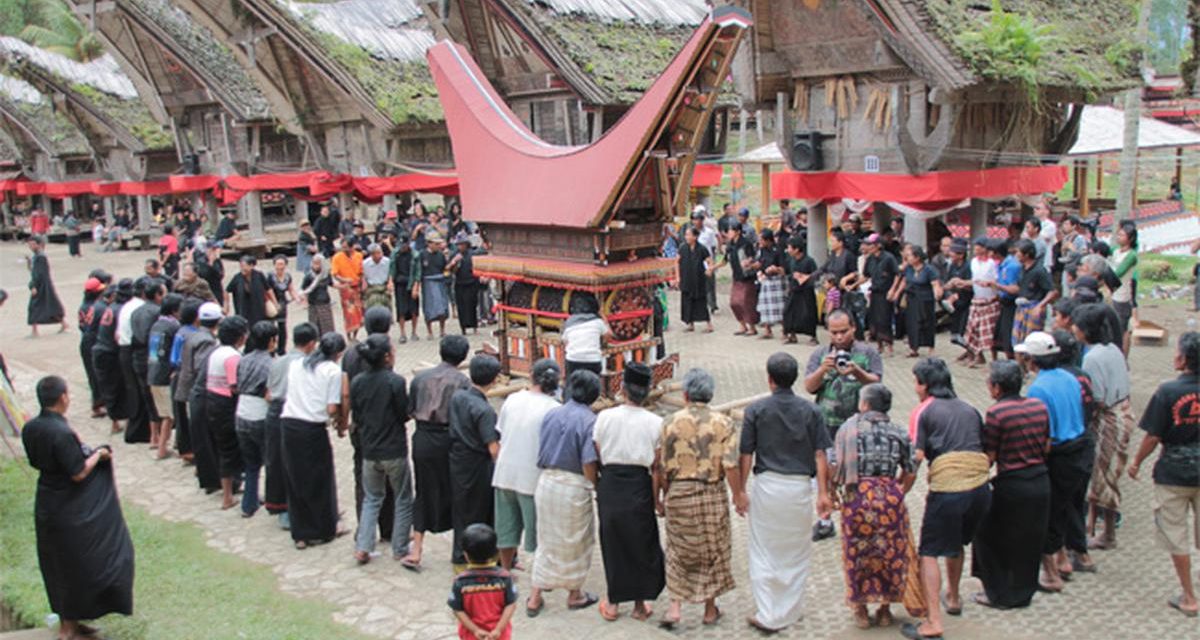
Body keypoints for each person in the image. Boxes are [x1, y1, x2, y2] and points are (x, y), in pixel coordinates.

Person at [21, 376, 134, 640]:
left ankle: (71, 619)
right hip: (68, 507)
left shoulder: (32, 428)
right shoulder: (60, 433)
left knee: (58, 563)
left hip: (47, 500)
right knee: (77, 561)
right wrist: (100, 455)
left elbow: (36, 463)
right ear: (62, 398)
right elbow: (78, 473)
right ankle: (68, 628)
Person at [738, 353, 832, 632]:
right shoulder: (812, 411)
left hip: (767, 486)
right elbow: (820, 454)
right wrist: (823, 493)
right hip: (799, 488)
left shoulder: (755, 411)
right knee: (796, 551)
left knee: (764, 550)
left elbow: (746, 454)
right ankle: (789, 610)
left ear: (769, 379)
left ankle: (769, 612)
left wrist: (741, 491)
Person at [904, 358, 991, 640]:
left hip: (949, 489)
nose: (915, 388)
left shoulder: (923, 411)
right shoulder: (970, 409)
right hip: (980, 489)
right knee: (955, 543)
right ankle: (952, 597)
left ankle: (933, 621)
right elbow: (986, 452)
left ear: (925, 385)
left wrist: (900, 490)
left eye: (917, 382)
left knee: (929, 552)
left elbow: (915, 459)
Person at [830, 382, 925, 628]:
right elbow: (911, 468)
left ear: (865, 404)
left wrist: (831, 492)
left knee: (857, 553)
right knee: (890, 553)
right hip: (889, 499)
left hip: (857, 497)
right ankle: (885, 609)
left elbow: (833, 465)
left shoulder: (848, 429)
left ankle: (861, 610)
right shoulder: (899, 431)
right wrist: (900, 490)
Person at [656, 368, 743, 627]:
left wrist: (662, 496)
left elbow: (661, 466)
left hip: (679, 491)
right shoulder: (723, 423)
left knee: (677, 551)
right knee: (713, 550)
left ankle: (674, 608)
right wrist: (738, 494)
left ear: (685, 394)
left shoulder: (669, 422)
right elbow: (730, 465)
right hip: (711, 492)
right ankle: (709, 609)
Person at [1128, 331, 1199, 618]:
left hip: (1173, 473)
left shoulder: (1168, 391)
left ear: (1182, 359)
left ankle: (1190, 596)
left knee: (1175, 535)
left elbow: (1153, 436)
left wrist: (1136, 463)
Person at [970, 359, 1051, 609]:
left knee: (987, 535)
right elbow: (1047, 445)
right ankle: (1024, 590)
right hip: (1040, 480)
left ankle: (999, 592)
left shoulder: (997, 413)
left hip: (1012, 483)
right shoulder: (1039, 406)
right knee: (1030, 539)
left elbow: (991, 456)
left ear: (996, 388)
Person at [1016, 331, 1093, 593]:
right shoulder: (1071, 378)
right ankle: (1063, 559)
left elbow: (1044, 431)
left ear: (1031, 360)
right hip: (1081, 449)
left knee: (1047, 514)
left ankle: (1050, 574)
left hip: (1059, 453)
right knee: (1067, 506)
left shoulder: (1038, 390)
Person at [525, 369, 603, 616]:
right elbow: (588, 463)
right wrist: (596, 486)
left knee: (546, 540)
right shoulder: (589, 421)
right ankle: (574, 594)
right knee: (576, 542)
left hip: (547, 481)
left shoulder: (552, 413)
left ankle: (535, 596)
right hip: (573, 486)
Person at [593, 363, 665, 622]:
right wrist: (658, 499)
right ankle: (639, 604)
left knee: (612, 542)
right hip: (639, 484)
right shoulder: (656, 423)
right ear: (647, 391)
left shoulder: (604, 417)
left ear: (622, 389)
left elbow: (598, 450)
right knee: (641, 542)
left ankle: (613, 603)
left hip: (610, 481)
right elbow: (657, 467)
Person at [804, 309, 883, 541]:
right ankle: (825, 520)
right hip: (827, 424)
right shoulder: (820, 354)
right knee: (825, 474)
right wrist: (823, 370)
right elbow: (809, 386)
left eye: (843, 332)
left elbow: (877, 382)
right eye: (834, 332)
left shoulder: (868, 353)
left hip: (860, 426)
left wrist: (857, 371)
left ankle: (860, 520)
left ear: (853, 329)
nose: (839, 337)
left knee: (859, 475)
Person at [404, 335, 471, 568]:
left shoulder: (420, 379)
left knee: (423, 491)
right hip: (449, 440)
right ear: (463, 356)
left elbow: (410, 410)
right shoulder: (462, 382)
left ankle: (417, 550)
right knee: (457, 493)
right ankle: (459, 550)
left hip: (422, 438)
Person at [1072, 303, 1133, 551]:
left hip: (1110, 417)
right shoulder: (1113, 350)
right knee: (1102, 474)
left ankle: (1107, 533)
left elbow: (1095, 398)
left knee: (1105, 476)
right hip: (1120, 409)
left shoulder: (1093, 358)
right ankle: (1092, 527)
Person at [280, 332, 350, 548]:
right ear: (338, 354)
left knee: (296, 478)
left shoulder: (298, 364)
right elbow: (331, 407)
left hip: (289, 424)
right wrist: (340, 422)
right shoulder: (332, 371)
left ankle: (300, 532)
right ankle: (325, 527)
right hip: (312, 428)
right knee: (320, 478)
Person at [349, 334, 413, 564]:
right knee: (403, 497)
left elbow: (356, 415)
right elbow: (404, 413)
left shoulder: (357, 382)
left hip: (370, 449)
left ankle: (363, 546)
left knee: (372, 498)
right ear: (387, 357)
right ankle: (400, 547)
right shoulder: (395, 382)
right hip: (394, 448)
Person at [492, 358, 561, 571]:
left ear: (531, 375)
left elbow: (501, 432)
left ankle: (505, 569)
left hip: (505, 472)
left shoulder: (513, 399)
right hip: (533, 477)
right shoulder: (555, 409)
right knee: (538, 532)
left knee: (506, 528)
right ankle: (539, 579)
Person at [342, 308, 399, 544]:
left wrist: (343, 420)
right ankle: (388, 528)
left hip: (361, 424)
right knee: (388, 479)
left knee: (363, 478)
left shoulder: (350, 354)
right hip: (384, 426)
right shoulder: (385, 352)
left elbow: (345, 392)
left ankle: (364, 530)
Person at [449, 355, 502, 567]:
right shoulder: (485, 411)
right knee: (480, 511)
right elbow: (492, 447)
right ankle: (479, 555)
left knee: (462, 508)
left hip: (458, 459)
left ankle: (459, 551)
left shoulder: (458, 397)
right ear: (495, 379)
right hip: (478, 465)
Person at [264, 322, 320, 528]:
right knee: (302, 464)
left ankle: (283, 508)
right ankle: (303, 510)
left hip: (275, 412)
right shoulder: (307, 365)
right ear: (312, 343)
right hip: (297, 413)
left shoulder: (278, 362)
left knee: (278, 461)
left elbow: (268, 393)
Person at [179, 302, 223, 492]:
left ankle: (208, 475)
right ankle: (212, 478)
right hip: (201, 392)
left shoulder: (195, 335)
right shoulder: (206, 341)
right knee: (206, 437)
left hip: (193, 390)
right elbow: (201, 368)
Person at [207, 315, 249, 511]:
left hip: (213, 400)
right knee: (231, 449)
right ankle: (228, 496)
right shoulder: (233, 357)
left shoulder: (216, 352)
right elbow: (234, 386)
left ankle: (230, 487)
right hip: (226, 405)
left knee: (224, 448)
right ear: (239, 337)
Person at [235, 321, 276, 518]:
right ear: (271, 341)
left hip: (242, 411)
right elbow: (269, 394)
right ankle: (273, 499)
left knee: (251, 462)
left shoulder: (244, 359)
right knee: (269, 459)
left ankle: (248, 504)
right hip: (260, 413)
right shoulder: (271, 364)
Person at [448, 523, 518, 640]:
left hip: (471, 635)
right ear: (496, 553)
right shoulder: (505, 577)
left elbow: (457, 609)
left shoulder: (460, 581)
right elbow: (511, 604)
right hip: (499, 636)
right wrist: (498, 630)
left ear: (466, 554)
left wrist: (475, 630)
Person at [147, 292, 183, 460]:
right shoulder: (174, 328)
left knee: (165, 414)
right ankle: (163, 448)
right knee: (171, 414)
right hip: (164, 375)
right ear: (175, 310)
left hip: (153, 373)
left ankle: (165, 445)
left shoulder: (157, 325)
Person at [130, 280, 164, 447]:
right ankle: (160, 436)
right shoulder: (157, 312)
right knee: (159, 398)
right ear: (157, 295)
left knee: (147, 397)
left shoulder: (135, 312)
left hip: (137, 357)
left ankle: (153, 436)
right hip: (152, 359)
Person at [891, 246, 942, 358]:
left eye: (909, 255)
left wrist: (937, 293)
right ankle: (913, 348)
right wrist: (897, 293)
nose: (907, 258)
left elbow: (935, 284)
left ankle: (931, 348)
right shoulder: (908, 268)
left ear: (917, 257)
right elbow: (904, 281)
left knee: (927, 323)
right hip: (911, 299)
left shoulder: (929, 269)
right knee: (912, 324)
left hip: (925, 300)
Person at [117, 278, 150, 445]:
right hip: (132, 349)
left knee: (135, 391)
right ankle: (138, 431)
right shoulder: (139, 309)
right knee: (139, 392)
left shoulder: (128, 306)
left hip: (125, 349)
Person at [856, 233, 899, 355]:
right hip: (874, 292)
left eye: (870, 245)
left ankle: (889, 345)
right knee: (874, 319)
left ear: (878, 245)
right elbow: (866, 276)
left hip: (886, 292)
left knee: (885, 318)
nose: (868, 247)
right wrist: (854, 285)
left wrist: (893, 289)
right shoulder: (870, 259)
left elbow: (897, 274)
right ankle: (879, 345)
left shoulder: (889, 258)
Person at [1009, 239, 1058, 348]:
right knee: (1017, 342)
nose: (1016, 255)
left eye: (1018, 252)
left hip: (1034, 307)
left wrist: (1040, 306)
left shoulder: (1039, 271)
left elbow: (1052, 291)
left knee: (1031, 342)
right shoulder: (1022, 269)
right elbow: (1018, 288)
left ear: (1027, 254)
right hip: (1021, 307)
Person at [962, 238, 1000, 368]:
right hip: (977, 298)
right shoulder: (973, 262)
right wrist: (963, 283)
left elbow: (996, 281)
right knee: (973, 330)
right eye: (975, 247)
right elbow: (974, 280)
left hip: (990, 300)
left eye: (979, 247)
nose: (976, 249)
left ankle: (993, 360)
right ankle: (978, 356)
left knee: (990, 333)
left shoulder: (992, 263)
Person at [79, 275, 110, 419]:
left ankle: (98, 403)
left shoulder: (84, 306)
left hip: (86, 341)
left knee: (93, 375)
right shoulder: (99, 307)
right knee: (99, 375)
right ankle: (99, 405)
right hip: (94, 342)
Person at [720, 221, 760, 335]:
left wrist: (749, 262)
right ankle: (742, 325)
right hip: (736, 276)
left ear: (737, 232)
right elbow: (725, 260)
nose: (728, 233)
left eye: (730, 230)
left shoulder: (746, 243)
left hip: (747, 277)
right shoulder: (730, 244)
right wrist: (713, 267)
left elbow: (753, 257)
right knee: (734, 303)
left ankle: (752, 327)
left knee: (746, 302)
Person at [26, 235, 68, 337]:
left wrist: (33, 286)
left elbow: (39, 274)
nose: (31, 247)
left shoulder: (40, 257)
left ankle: (34, 331)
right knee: (50, 305)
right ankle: (63, 323)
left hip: (41, 285)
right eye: (29, 245)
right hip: (44, 284)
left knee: (35, 307)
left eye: (32, 244)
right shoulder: (38, 256)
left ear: (39, 245)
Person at [561, 294, 610, 380]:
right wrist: (604, 318)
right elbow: (608, 336)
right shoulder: (598, 322)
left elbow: (565, 341)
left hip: (573, 359)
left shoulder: (569, 322)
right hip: (593, 360)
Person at [677, 225, 714, 333]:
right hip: (686, 279)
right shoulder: (682, 248)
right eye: (686, 235)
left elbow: (709, 261)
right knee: (687, 301)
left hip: (698, 280)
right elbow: (676, 262)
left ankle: (709, 324)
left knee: (701, 301)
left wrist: (709, 270)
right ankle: (690, 324)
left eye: (689, 235)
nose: (686, 237)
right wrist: (677, 277)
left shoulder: (701, 248)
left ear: (695, 237)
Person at [1109, 221, 1138, 353]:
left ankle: (1122, 357)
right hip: (1113, 294)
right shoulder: (1115, 251)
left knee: (1122, 330)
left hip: (1122, 295)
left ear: (1130, 238)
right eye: (1118, 235)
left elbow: (1119, 272)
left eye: (1122, 235)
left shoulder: (1131, 255)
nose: (1118, 237)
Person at [783, 236, 819, 344]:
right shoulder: (791, 260)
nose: (788, 250)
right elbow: (788, 273)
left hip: (806, 291)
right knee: (788, 312)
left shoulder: (809, 261)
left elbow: (815, 276)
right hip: (794, 290)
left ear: (797, 249)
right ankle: (791, 334)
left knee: (808, 313)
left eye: (789, 248)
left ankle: (813, 336)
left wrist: (803, 277)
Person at [414, 235, 451, 338]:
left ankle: (442, 330)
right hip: (427, 282)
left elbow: (445, 268)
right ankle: (429, 331)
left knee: (443, 306)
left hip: (440, 281)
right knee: (429, 307)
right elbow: (419, 270)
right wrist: (417, 284)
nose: (438, 246)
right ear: (429, 243)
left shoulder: (441, 255)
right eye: (436, 244)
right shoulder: (422, 254)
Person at [754, 229, 786, 340]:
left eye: (761, 240)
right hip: (765, 279)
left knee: (779, 306)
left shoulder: (778, 250)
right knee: (764, 306)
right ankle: (767, 330)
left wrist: (775, 268)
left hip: (776, 280)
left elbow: (783, 268)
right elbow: (760, 262)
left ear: (768, 240)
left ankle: (784, 330)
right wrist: (752, 265)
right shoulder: (761, 250)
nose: (760, 242)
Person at [941, 239, 973, 348]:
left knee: (965, 332)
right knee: (955, 334)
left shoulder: (968, 267)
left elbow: (972, 285)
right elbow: (946, 283)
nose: (950, 255)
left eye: (953, 253)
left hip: (966, 301)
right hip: (955, 302)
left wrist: (961, 284)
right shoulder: (952, 266)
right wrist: (949, 286)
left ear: (961, 255)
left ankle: (971, 353)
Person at [993, 240, 1022, 360]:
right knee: (998, 333)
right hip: (1002, 302)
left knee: (1008, 333)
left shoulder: (1012, 266)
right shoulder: (1001, 265)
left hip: (1011, 303)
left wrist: (997, 286)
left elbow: (1014, 288)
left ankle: (1012, 361)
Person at [331, 242, 365, 340]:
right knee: (349, 313)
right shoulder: (337, 257)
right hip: (346, 288)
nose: (345, 249)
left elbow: (362, 272)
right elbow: (335, 274)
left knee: (359, 312)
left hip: (357, 287)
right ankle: (348, 335)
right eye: (343, 247)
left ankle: (355, 335)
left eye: (347, 247)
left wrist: (362, 282)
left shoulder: (358, 256)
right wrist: (344, 280)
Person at [389, 234, 419, 343]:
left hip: (411, 283)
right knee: (401, 310)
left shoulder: (415, 255)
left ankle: (414, 332)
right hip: (399, 284)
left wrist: (416, 286)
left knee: (414, 310)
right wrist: (390, 282)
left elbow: (417, 272)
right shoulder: (395, 254)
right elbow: (392, 269)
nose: (402, 247)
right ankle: (402, 333)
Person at [450, 232, 480, 334]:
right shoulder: (454, 255)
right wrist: (454, 262)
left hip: (471, 282)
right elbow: (450, 271)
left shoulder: (472, 254)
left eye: (462, 244)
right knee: (461, 306)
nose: (460, 246)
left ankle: (474, 325)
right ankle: (463, 327)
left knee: (471, 305)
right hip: (460, 283)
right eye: (458, 244)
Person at [300, 254, 336, 336]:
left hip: (325, 304)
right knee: (315, 327)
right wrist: (304, 301)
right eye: (314, 263)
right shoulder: (309, 276)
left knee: (327, 327)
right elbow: (304, 290)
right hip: (313, 305)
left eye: (318, 263)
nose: (316, 266)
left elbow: (332, 284)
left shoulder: (326, 275)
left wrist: (344, 285)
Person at [362, 242, 393, 315]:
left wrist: (390, 282)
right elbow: (364, 277)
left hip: (384, 287)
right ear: (372, 255)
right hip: (372, 289)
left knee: (386, 311)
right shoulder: (365, 263)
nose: (380, 255)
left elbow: (390, 274)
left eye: (380, 252)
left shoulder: (387, 261)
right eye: (377, 253)